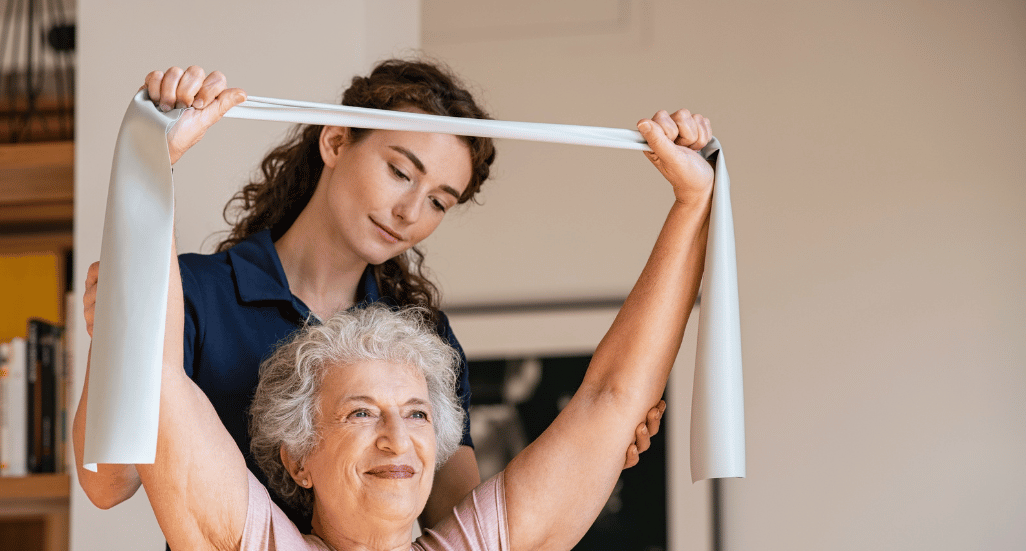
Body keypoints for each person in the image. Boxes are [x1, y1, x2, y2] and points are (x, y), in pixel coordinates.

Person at [72, 60, 671, 532]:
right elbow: (107, 485)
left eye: (439, 200)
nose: (411, 210)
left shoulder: (423, 340)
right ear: (335, 142)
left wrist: (593, 459)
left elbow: (456, 517)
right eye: (400, 171)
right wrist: (122, 333)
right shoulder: (194, 292)